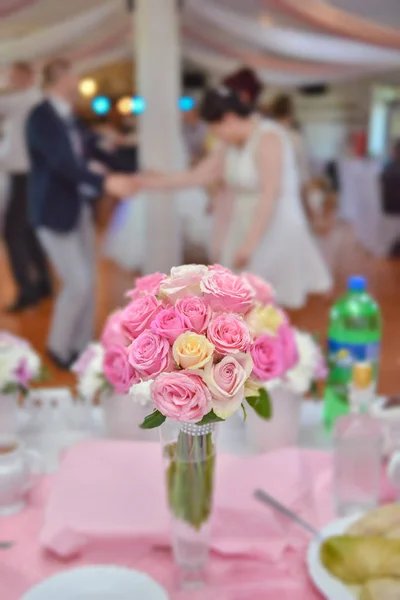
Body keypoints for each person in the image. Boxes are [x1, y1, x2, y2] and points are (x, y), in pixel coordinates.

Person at [132, 87, 332, 309]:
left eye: (215, 129)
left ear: (229, 118)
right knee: (237, 300)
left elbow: (270, 194)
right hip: (241, 220)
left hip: (272, 223)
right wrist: (149, 182)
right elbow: (197, 176)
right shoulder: (229, 144)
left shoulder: (269, 137)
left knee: (264, 301)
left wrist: (250, 244)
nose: (215, 135)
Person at [26, 58, 133, 369]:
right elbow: (62, 163)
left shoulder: (69, 117)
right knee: (78, 282)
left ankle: (82, 347)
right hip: (52, 211)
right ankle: (58, 348)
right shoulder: (41, 117)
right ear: (60, 77)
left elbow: (90, 150)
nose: (78, 81)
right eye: (74, 74)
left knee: (89, 282)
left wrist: (131, 168)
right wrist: (107, 180)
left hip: (77, 209)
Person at [0, 62, 52, 312]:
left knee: (13, 234)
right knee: (28, 233)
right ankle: (42, 284)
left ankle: (28, 291)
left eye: (14, 76)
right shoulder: (29, 100)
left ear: (28, 76)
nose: (11, 81)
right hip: (26, 177)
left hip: (26, 177)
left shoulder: (27, 99)